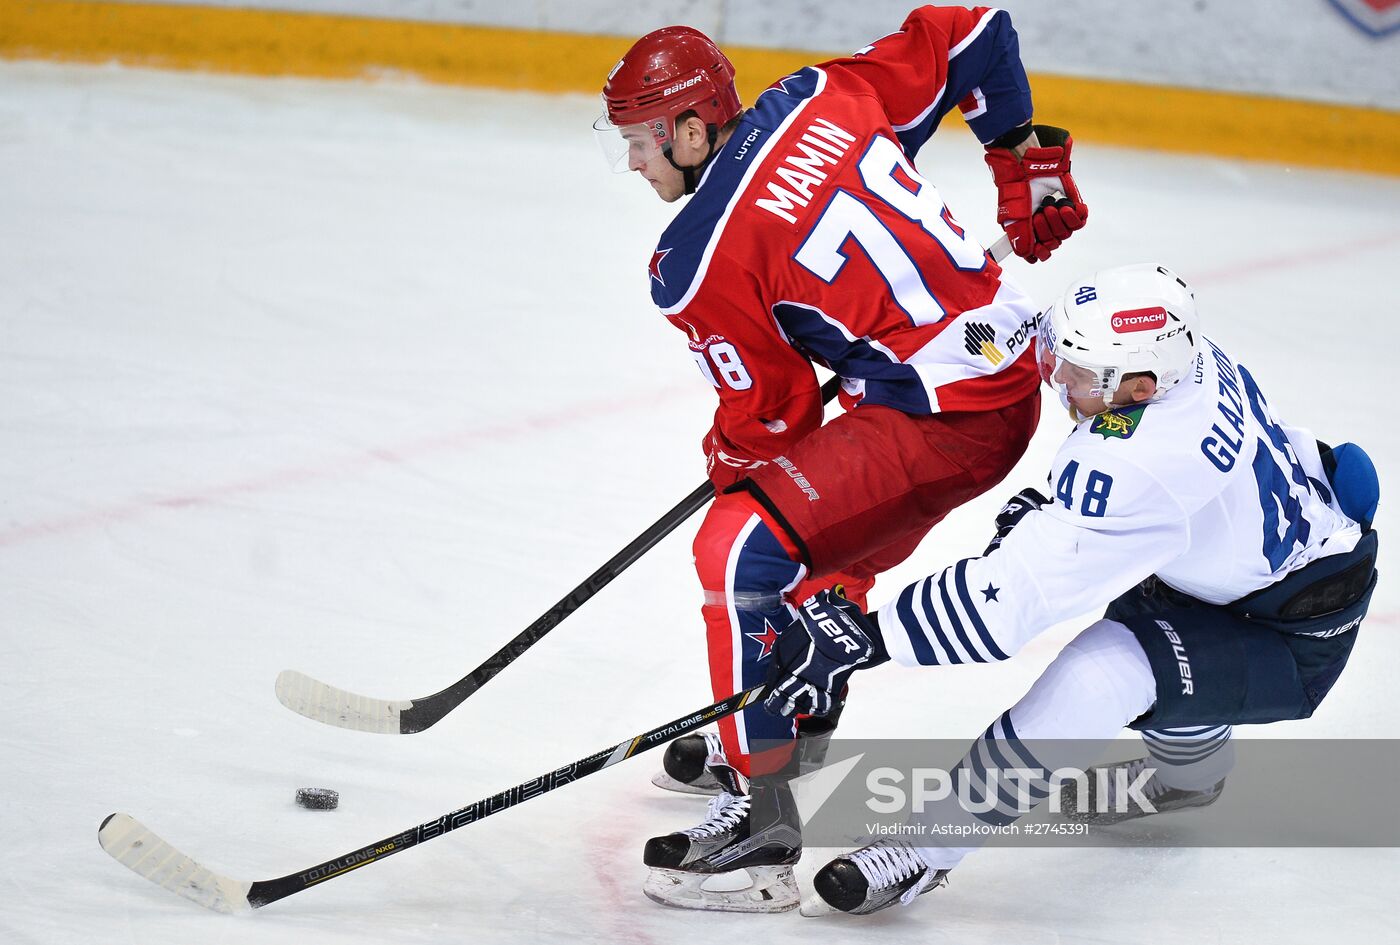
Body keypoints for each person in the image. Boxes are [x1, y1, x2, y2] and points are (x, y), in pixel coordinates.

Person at [592, 6, 1089, 912]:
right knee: (806, 541)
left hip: (947, 416)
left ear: (695, 130)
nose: (633, 162)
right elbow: (972, 28)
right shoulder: (821, 92)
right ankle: (782, 721)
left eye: (641, 142)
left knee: (744, 547)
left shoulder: (695, 257)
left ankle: (763, 822)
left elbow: (773, 414)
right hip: (992, 359)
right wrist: (1021, 155)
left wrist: (733, 463)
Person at [764, 262, 1380, 915]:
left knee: (1101, 676)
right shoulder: (1181, 357)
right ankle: (1192, 779)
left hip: (1288, 625)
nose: (1058, 377)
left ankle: (925, 848)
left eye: (1079, 373)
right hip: (1241, 558)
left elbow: (1009, 605)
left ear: (1139, 386)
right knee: (1173, 681)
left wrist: (869, 636)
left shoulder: (1139, 459)